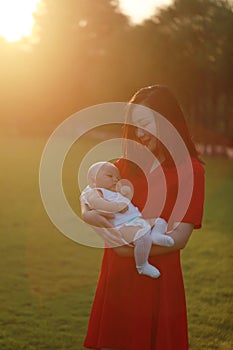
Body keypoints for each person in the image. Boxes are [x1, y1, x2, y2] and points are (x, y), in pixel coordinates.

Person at [81, 85, 205, 350]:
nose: (139, 133)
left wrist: (126, 251)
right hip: (117, 278)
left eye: (146, 124)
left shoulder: (191, 171)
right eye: (134, 125)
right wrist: (86, 213)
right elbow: (90, 196)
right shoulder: (122, 167)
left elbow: (180, 238)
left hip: (157, 281)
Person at [80, 161, 174, 279]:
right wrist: (116, 207)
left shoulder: (112, 191)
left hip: (136, 219)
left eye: (117, 177)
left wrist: (124, 192)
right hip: (122, 226)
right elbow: (97, 203)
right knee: (142, 237)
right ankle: (142, 265)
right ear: (93, 180)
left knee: (160, 221)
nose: (115, 179)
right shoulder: (94, 192)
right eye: (110, 176)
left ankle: (156, 235)